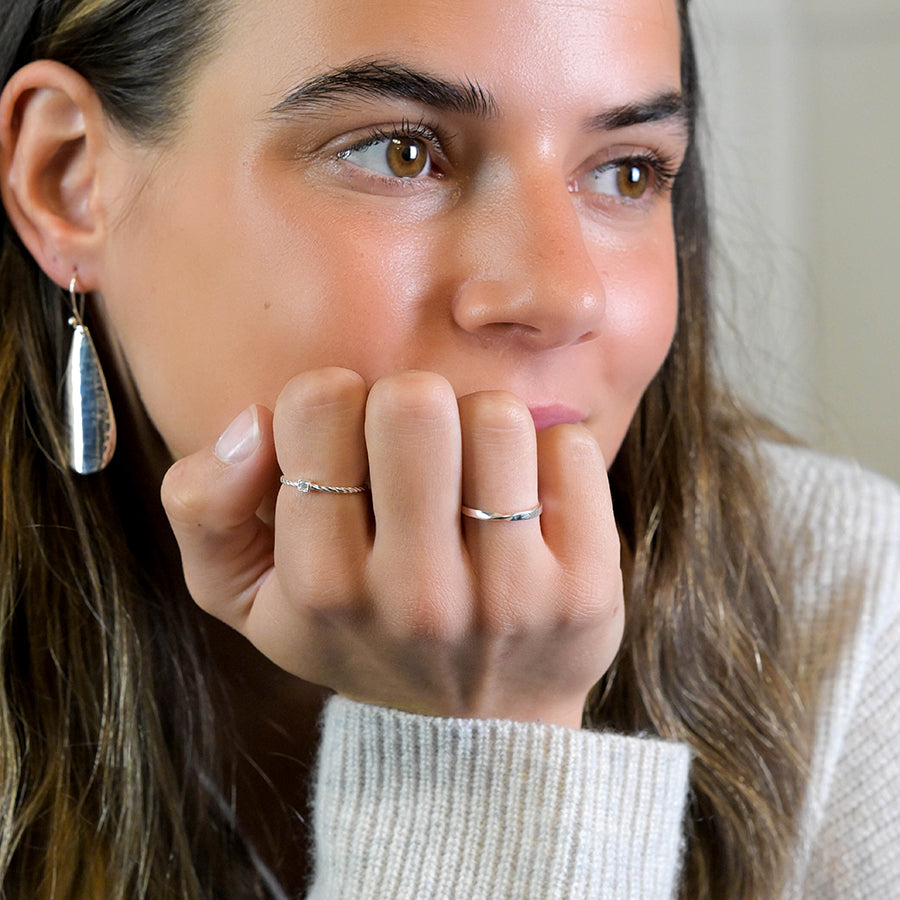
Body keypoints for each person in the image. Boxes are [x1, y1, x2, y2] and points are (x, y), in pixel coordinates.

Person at [0, 0, 897, 897]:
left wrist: (493, 742)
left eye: (627, 171)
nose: (561, 294)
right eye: (401, 152)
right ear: (70, 179)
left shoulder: (849, 610)